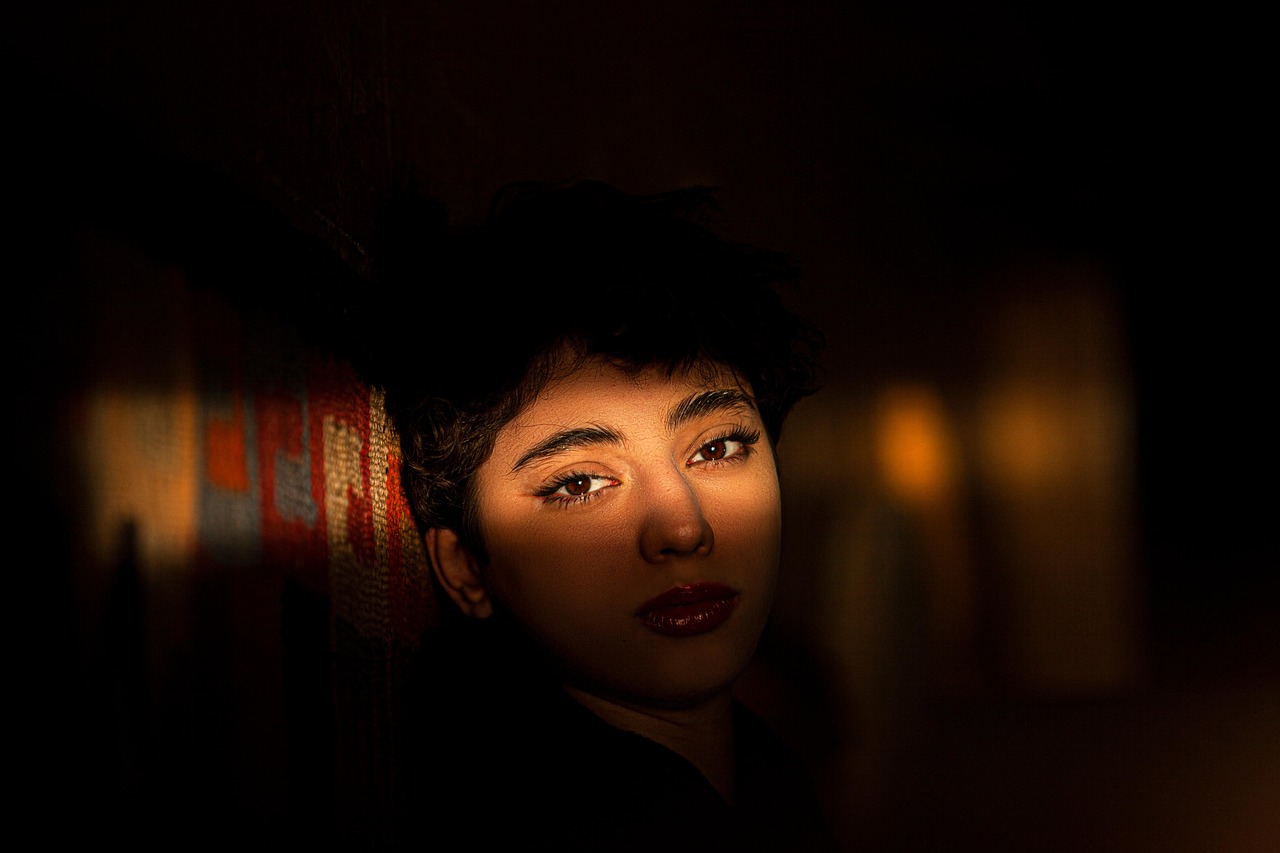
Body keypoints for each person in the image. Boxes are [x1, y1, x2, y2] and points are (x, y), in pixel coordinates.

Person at [376, 179, 838, 851]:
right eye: (581, 483)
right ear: (466, 567)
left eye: (716, 448)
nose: (683, 528)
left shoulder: (779, 785)